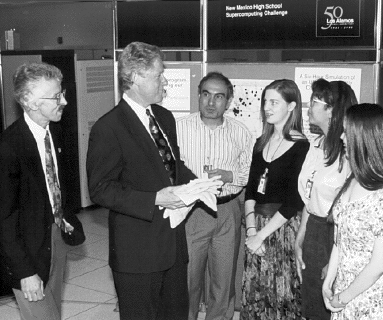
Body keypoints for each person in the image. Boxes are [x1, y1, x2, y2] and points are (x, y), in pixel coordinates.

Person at [86, 41, 221, 320]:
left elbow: (171, 167)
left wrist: (199, 184)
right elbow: (100, 189)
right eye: (159, 74)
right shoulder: (108, 128)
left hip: (171, 245)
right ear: (135, 77)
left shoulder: (163, 117)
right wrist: (155, 199)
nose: (164, 80)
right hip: (137, 252)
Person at [0, 62, 85, 320]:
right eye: (56, 96)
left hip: (55, 237)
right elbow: (4, 218)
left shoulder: (55, 133)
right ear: (29, 101)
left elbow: (58, 185)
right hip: (26, 250)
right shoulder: (9, 147)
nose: (65, 101)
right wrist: (24, 272)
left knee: (54, 312)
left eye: (62, 93)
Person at [176, 72, 253, 320]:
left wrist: (230, 177)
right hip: (191, 211)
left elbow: (249, 170)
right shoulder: (179, 128)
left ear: (228, 101)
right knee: (189, 279)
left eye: (219, 97)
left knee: (224, 280)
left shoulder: (240, 132)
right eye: (206, 95)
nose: (211, 102)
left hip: (227, 211)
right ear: (198, 96)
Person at [322, 103, 383, 319]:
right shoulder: (353, 179)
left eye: (346, 132)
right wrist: (328, 282)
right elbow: (339, 241)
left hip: (371, 297)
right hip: (345, 290)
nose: (342, 138)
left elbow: (378, 265)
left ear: (364, 139)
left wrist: (343, 297)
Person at [241, 79, 309, 319]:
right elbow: (250, 190)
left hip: (281, 230)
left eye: (274, 102)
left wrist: (261, 235)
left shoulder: (302, 147)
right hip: (255, 230)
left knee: (282, 296)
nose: (266, 107)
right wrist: (251, 232)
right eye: (265, 102)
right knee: (256, 294)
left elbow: (294, 200)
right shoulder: (261, 143)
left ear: (291, 106)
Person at [295, 79, 357, 320]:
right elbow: (310, 198)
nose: (308, 108)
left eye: (314, 103)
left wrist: (334, 257)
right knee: (311, 304)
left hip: (334, 235)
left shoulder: (349, 153)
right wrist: (300, 238)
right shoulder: (317, 145)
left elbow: (350, 212)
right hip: (313, 230)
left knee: (327, 305)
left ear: (331, 109)